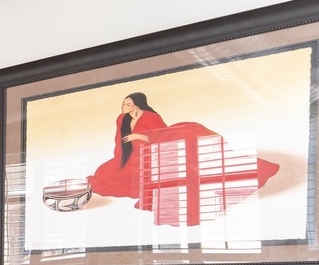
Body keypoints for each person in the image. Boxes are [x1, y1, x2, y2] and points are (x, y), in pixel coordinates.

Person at [87, 91, 278, 225]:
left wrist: (137, 137)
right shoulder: (121, 119)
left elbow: (157, 137)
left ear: (137, 105)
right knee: (102, 173)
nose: (123, 106)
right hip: (129, 156)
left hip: (150, 153)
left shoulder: (151, 117)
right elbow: (118, 141)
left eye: (127, 104)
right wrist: (120, 160)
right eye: (123, 103)